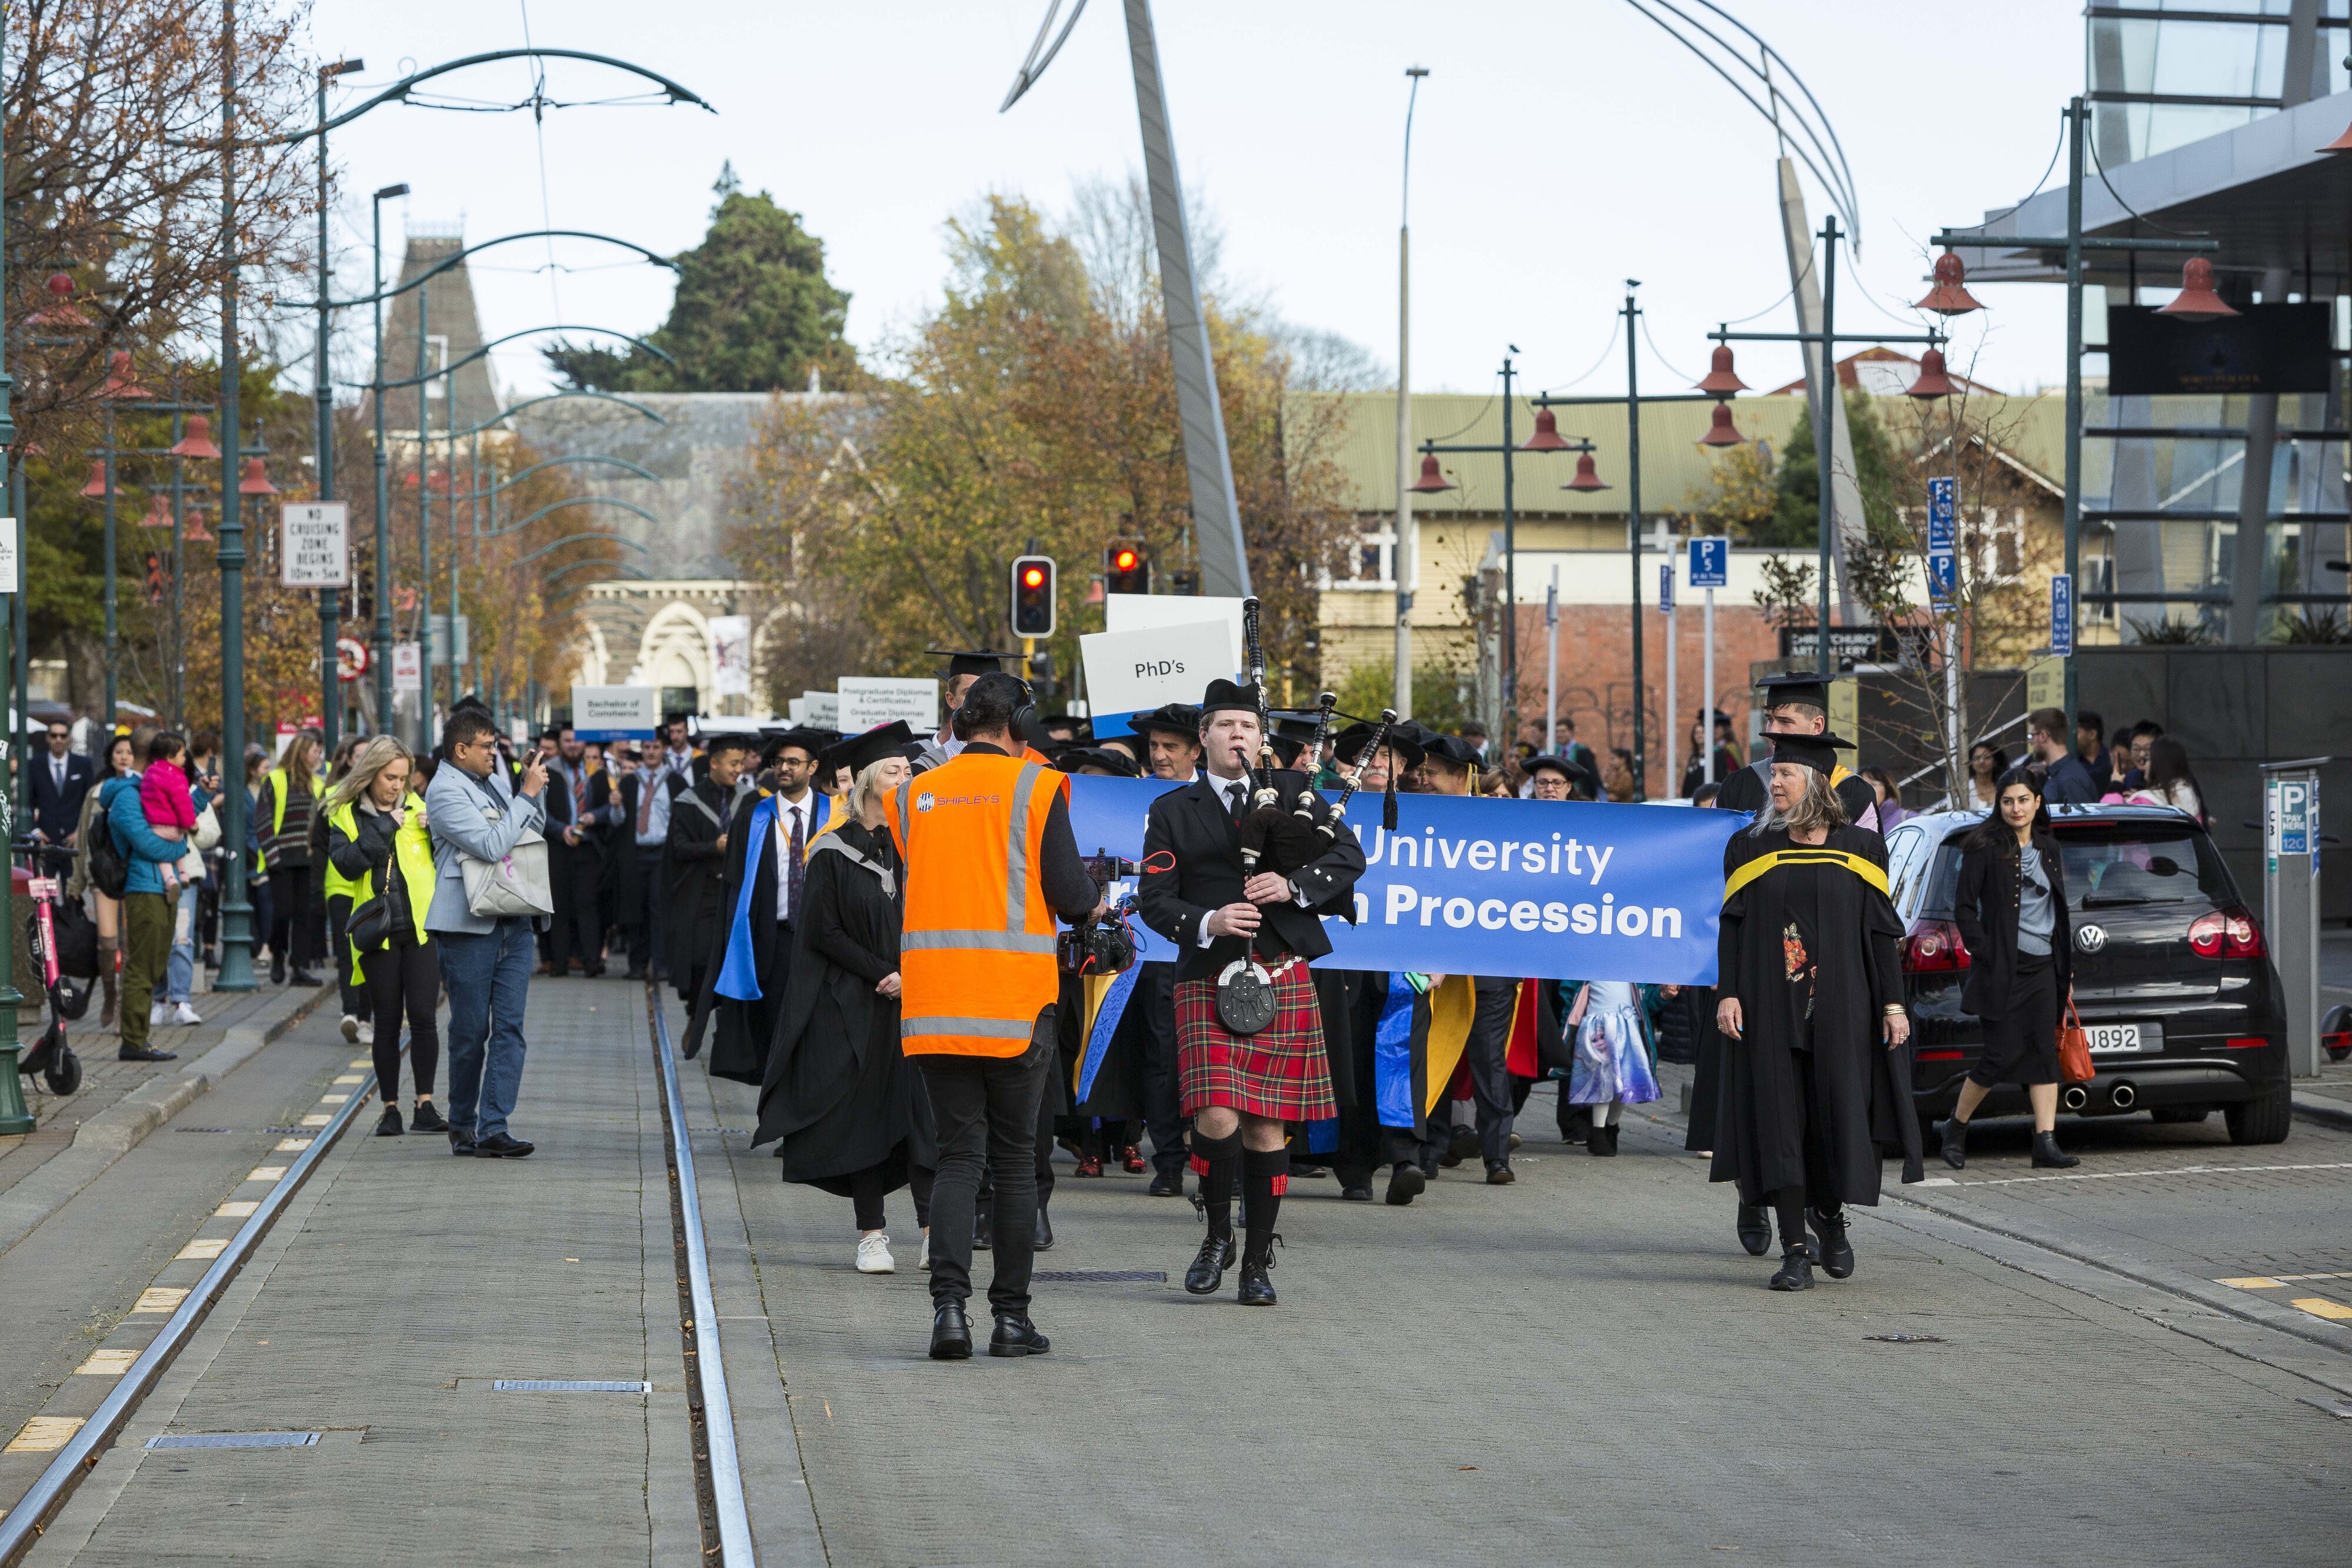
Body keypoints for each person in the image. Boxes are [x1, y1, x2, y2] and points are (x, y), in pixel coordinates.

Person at [886, 670, 1105, 1360]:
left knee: (957, 1157)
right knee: (1013, 1162)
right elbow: (1071, 896)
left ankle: (949, 1313)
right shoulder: (1038, 787)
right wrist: (1099, 905)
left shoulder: (911, 795)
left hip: (934, 1004)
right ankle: (1011, 1319)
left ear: (958, 723)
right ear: (1022, 725)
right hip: (1014, 1003)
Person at [1137, 679, 1367, 1304]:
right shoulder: (1171, 810)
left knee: (1267, 1127)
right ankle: (1217, 1234)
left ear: (1261, 738)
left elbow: (1350, 855)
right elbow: (1154, 900)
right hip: (1207, 974)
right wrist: (1208, 921)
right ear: (1202, 739)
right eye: (1225, 725)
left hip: (1279, 969)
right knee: (1216, 1115)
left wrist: (1293, 887)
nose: (1238, 734)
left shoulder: (1294, 792)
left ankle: (1257, 1259)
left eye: (1248, 725)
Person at [1711, 732, 1921, 1291]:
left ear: (1815, 785)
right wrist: (1727, 993)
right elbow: (1731, 926)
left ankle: (1829, 1219)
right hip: (1769, 1008)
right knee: (1780, 1124)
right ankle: (1794, 1254)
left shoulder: (1861, 848)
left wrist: (1893, 1003)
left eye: (1785, 775)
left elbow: (1879, 933)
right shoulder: (1750, 847)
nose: (1773, 783)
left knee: (1833, 1122)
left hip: (1842, 1009)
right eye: (1773, 774)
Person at [756, 730, 936, 1275]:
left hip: (919, 996)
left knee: (923, 1115)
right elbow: (823, 931)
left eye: (909, 770)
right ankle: (872, 1236)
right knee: (866, 1119)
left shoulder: (925, 843)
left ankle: (933, 1232)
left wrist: (914, 971)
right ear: (864, 783)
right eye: (894, 770)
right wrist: (882, 971)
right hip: (853, 1002)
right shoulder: (831, 849)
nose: (905, 777)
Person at [425, 708, 550, 1159]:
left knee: (510, 1028)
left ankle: (495, 1125)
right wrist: (524, 798)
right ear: (461, 750)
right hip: (469, 924)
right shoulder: (443, 792)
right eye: (487, 747)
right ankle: (462, 1121)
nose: (495, 754)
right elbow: (493, 845)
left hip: (515, 917)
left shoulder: (495, 783)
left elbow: (532, 832)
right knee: (470, 1030)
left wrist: (532, 792)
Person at [1939, 765, 2078, 1172]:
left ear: (2037, 803)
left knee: (2042, 1054)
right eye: (2007, 801)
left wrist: (2063, 971)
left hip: (2042, 969)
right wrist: (1984, 951)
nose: (2015, 808)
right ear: (1998, 806)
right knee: (1997, 1057)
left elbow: (2058, 911)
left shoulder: (2048, 848)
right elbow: (1964, 908)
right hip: (2000, 970)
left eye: (2023, 800)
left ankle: (2044, 1142)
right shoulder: (1983, 847)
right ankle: (1956, 1127)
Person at [1413, 730, 1522, 1184]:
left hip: (1486, 963)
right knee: (1433, 1052)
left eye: (1432, 774)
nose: (1424, 781)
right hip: (1431, 962)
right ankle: (1431, 1150)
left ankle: (1496, 1156)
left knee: (1486, 1058)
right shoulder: (1415, 819)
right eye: (1421, 773)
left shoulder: (1493, 825)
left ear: (1461, 776)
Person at [326, 737, 448, 1139]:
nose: (397, 787)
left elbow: (441, 860)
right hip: (376, 932)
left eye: (403, 779)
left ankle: (425, 1104)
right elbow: (345, 865)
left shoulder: (419, 809)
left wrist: (436, 834)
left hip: (421, 928)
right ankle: (390, 1108)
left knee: (425, 1017)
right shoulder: (346, 814)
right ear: (371, 774)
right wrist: (383, 826)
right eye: (389, 778)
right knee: (387, 1023)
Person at [702, 728, 826, 1085]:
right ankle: (775, 1115)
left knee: (814, 1034)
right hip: (772, 942)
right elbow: (735, 886)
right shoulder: (753, 817)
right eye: (779, 762)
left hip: (820, 942)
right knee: (771, 1033)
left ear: (813, 766)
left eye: (793, 762)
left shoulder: (834, 816)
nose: (784, 768)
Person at [104, 732, 191, 1063]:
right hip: (143, 887)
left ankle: (138, 1039)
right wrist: (181, 845)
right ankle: (134, 1041)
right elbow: (148, 844)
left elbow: (182, 822)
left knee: (154, 964)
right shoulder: (127, 796)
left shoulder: (152, 788)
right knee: (141, 966)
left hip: (162, 888)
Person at [1716, 675, 1879, 829]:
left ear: (1817, 726)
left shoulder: (1853, 791)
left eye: (1785, 721)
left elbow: (1869, 856)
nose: (1773, 731)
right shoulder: (1737, 786)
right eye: (1770, 720)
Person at [665, 733, 752, 1024]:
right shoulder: (689, 801)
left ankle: (727, 1022)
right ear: (714, 763)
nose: (739, 769)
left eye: (741, 763)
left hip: (737, 892)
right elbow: (677, 848)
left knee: (733, 957)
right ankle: (696, 1013)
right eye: (733, 763)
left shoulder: (750, 800)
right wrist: (712, 847)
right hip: (701, 892)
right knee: (701, 958)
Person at [139, 732, 205, 1028]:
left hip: (182, 868)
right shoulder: (160, 781)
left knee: (181, 937)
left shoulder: (174, 780)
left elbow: (204, 828)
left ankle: (181, 1000)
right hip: (157, 869)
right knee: (159, 938)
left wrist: (201, 797)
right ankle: (160, 999)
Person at [1557, 978, 1669, 1153]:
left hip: (1627, 1028)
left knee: (1624, 1083)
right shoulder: (1586, 964)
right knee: (1602, 1081)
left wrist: (1662, 995)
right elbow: (1570, 996)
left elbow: (1646, 999)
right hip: (1597, 1029)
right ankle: (1599, 1131)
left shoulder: (1633, 967)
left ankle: (1611, 1126)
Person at [541, 726, 613, 978]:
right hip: (558, 847)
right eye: (567, 740)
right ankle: (559, 963)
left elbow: (610, 807)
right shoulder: (548, 771)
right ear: (560, 743)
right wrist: (560, 829)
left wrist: (597, 816)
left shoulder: (597, 773)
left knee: (588, 905)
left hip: (589, 848)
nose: (572, 745)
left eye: (576, 740)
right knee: (558, 906)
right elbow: (539, 811)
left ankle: (591, 961)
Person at [256, 729, 326, 986]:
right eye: (315, 751)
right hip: (281, 859)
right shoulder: (274, 779)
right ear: (302, 752)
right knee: (283, 912)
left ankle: (299, 967)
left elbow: (322, 824)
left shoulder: (319, 784)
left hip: (308, 859)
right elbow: (262, 819)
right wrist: (272, 856)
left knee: (304, 915)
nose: (318, 755)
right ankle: (278, 953)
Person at [913, 649, 1020, 771]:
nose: (981, 701)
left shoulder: (1025, 765)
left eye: (990, 693)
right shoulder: (924, 768)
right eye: (969, 693)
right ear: (951, 700)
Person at [619, 739, 672, 980]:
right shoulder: (629, 782)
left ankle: (661, 964)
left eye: (656, 748)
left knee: (659, 909)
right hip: (635, 854)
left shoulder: (674, 782)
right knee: (635, 908)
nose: (651, 752)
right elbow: (619, 822)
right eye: (647, 748)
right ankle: (637, 964)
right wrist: (616, 807)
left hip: (662, 853)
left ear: (664, 750)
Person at [31, 718, 96, 848]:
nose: (58, 740)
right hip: (45, 841)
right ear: (47, 738)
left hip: (74, 841)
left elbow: (90, 801)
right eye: (54, 736)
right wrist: (36, 830)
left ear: (69, 738)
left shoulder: (83, 764)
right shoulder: (35, 764)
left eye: (63, 736)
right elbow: (27, 801)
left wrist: (80, 831)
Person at [2027, 707, 2099, 805]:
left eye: (2031, 736)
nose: (2031, 743)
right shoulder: (2059, 775)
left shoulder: (2069, 779)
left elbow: (2081, 819)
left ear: (2043, 736)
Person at [2127, 736, 2204, 823]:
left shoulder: (2143, 802)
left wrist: (2115, 786)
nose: (2145, 764)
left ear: (2157, 765)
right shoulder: (2192, 799)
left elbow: (2113, 820)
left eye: (2148, 758)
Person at [1860, 767, 1908, 833]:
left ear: (1887, 788)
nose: (1867, 790)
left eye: (1873, 785)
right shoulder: (1851, 825)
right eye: (1862, 785)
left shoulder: (1907, 819)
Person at [1967, 742, 2009, 809]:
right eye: (1977, 758)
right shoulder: (1966, 788)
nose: (1981, 761)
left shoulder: (2005, 787)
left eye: (1986, 757)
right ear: (1971, 763)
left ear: (1995, 761)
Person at [2074, 709, 2109, 784]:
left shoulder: (2111, 760)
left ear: (2092, 735)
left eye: (2077, 732)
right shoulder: (2073, 762)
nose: (2072, 737)